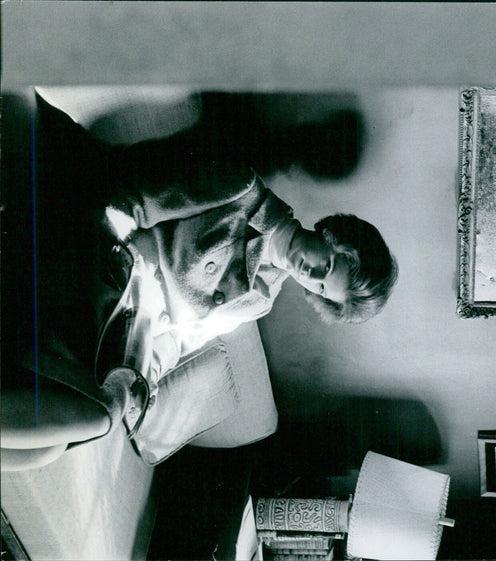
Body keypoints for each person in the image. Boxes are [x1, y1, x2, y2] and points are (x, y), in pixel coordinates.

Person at [1, 94, 398, 471]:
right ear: (332, 237)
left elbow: (182, 338)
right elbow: (124, 199)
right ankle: (107, 402)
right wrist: (136, 282)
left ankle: (111, 397)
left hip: (118, 315)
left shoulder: (261, 298)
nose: (311, 278)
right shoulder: (240, 188)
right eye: (326, 267)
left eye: (322, 290)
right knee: (91, 414)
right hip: (90, 234)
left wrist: (146, 375)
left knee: (48, 446)